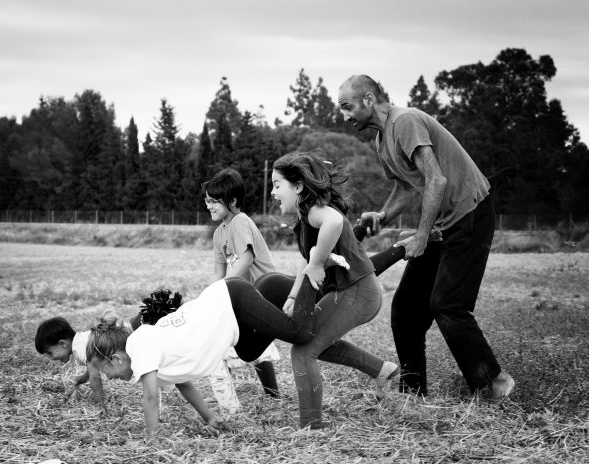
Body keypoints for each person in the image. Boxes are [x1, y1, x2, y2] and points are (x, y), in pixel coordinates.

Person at [337, 74, 515, 399]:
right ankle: (413, 393)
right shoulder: (382, 141)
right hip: (445, 223)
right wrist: (383, 215)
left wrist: (421, 236)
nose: (345, 116)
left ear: (367, 100)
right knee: (405, 311)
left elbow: (436, 180)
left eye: (347, 107)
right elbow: (407, 187)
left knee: (448, 304)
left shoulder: (404, 122)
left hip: (470, 213)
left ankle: (494, 382)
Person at [86, 274, 319, 437]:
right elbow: (183, 382)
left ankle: (310, 277)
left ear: (116, 359)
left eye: (105, 371)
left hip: (231, 298)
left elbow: (149, 398)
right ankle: (273, 291)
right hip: (230, 311)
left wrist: (152, 440)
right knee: (249, 351)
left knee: (297, 332)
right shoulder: (146, 354)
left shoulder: (139, 346)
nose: (108, 378)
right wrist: (209, 416)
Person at [270, 151, 400, 429]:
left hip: (357, 291)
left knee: (303, 352)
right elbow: (307, 262)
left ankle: (311, 427)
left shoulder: (316, 211)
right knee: (316, 343)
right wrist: (294, 295)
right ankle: (381, 369)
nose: (273, 192)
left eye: (277, 184)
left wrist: (318, 262)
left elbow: (335, 222)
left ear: (298, 187)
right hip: (350, 291)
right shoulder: (305, 219)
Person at [203, 167, 280, 405]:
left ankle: (270, 395)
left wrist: (224, 290)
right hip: (244, 295)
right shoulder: (218, 234)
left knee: (247, 341)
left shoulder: (240, 221)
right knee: (250, 340)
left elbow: (245, 260)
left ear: (233, 201)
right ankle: (273, 395)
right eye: (207, 201)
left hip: (266, 291)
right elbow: (219, 274)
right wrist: (209, 297)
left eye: (215, 201)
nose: (209, 206)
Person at [34, 317, 108, 412]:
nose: (51, 358)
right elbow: (93, 365)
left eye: (50, 353)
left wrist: (102, 406)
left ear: (63, 344)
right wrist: (84, 377)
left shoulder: (81, 348)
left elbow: (95, 378)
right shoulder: (81, 341)